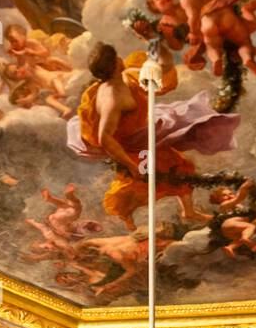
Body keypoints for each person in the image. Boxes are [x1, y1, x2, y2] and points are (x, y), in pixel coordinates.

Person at [68, 42, 238, 230]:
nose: (120, 58)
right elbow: (105, 137)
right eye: (116, 57)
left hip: (145, 132)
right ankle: (129, 220)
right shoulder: (112, 98)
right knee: (143, 182)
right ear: (114, 64)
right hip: (133, 146)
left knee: (181, 166)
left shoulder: (128, 76)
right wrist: (132, 165)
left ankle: (188, 212)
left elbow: (163, 69)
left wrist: (159, 45)